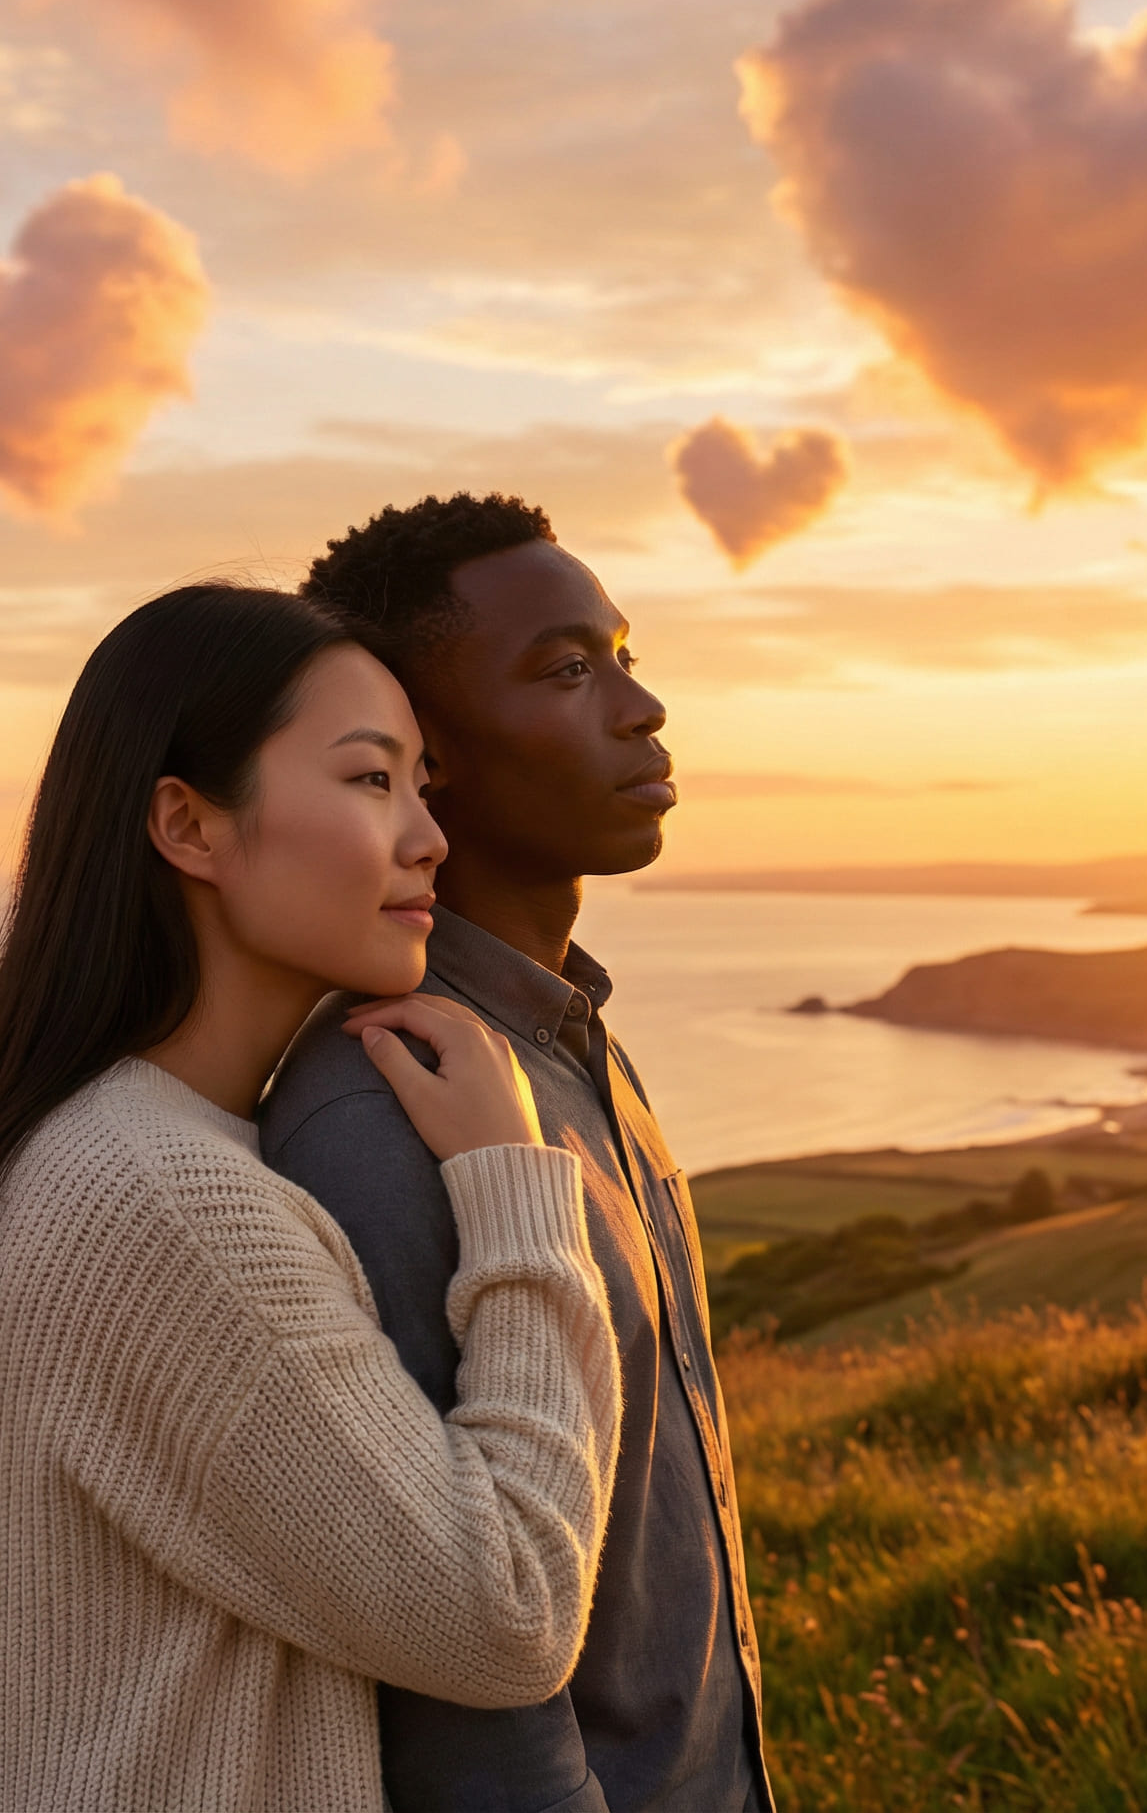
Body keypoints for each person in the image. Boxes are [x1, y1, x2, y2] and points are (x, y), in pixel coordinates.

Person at [0, 583, 622, 1812]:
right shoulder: (157, 1199)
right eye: (371, 779)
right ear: (189, 823)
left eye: (422, 784)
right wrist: (517, 1187)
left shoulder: (125, 1147)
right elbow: (509, 1614)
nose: (429, 835)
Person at [261, 496, 773, 1813]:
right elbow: (462, 1666)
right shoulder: (383, 1115)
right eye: (565, 669)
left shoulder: (574, 1045)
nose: (641, 705)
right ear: (425, 761)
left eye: (622, 652)